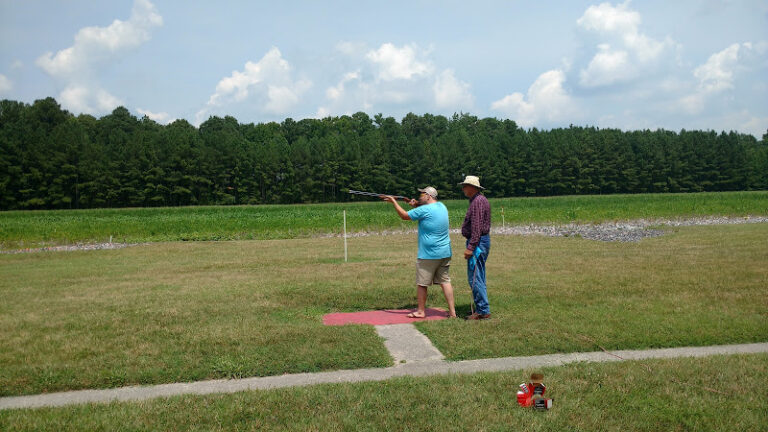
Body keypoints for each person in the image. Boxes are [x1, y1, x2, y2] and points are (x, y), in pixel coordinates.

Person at [381, 186, 457, 318]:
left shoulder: (425, 209)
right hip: (444, 252)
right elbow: (426, 214)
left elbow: (404, 216)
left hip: (429, 254)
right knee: (445, 281)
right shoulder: (442, 206)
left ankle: (421, 311)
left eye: (422, 195)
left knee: (422, 284)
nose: (419, 197)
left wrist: (393, 201)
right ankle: (452, 312)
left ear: (428, 196)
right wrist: (416, 205)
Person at [459, 175, 491, 320]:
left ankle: (483, 310)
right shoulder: (478, 200)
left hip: (477, 243)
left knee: (475, 277)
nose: (463, 188)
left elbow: (477, 227)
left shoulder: (477, 201)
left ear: (472, 187)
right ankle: (481, 308)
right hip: (479, 241)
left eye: (465, 186)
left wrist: (471, 247)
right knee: (478, 276)